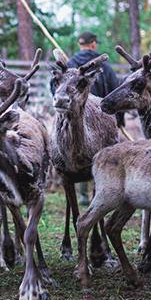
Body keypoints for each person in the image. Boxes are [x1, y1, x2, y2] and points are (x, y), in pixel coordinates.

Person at [50, 31, 121, 204]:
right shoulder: (105, 68)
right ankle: (97, 192)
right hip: (100, 118)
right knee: (93, 154)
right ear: (94, 44)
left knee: (76, 148)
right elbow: (114, 90)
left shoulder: (71, 64)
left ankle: (82, 195)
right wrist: (118, 117)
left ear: (80, 44)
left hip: (72, 114)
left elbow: (54, 87)